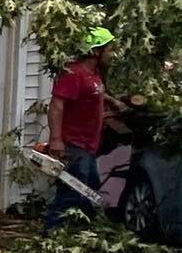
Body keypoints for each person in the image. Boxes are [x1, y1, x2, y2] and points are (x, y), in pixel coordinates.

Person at [43, 26, 126, 231]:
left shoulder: (93, 74)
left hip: (88, 145)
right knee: (72, 193)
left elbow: (90, 93)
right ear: (96, 51)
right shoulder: (74, 73)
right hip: (74, 144)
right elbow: (57, 105)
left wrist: (111, 101)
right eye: (109, 49)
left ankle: (82, 235)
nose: (112, 54)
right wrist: (56, 139)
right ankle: (51, 234)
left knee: (89, 194)